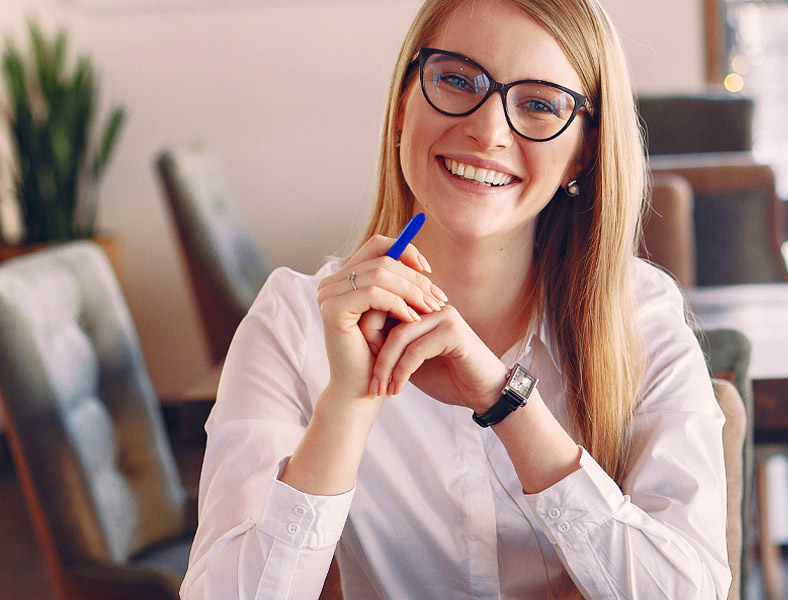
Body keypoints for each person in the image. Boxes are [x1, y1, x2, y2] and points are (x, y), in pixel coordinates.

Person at [179, 0, 729, 597]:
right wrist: (348, 402)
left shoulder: (640, 317)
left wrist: (507, 402)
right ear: (401, 105)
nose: (488, 130)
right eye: (457, 80)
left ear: (584, 152)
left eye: (540, 104)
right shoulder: (293, 322)